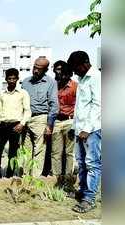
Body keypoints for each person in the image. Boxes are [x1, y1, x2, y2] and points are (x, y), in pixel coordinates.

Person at [67, 51, 101, 213]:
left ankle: (90, 199)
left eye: (75, 68)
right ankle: (82, 191)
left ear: (85, 63)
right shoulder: (81, 79)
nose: (74, 72)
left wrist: (87, 129)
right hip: (80, 129)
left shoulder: (96, 78)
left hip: (93, 130)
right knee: (81, 163)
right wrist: (74, 127)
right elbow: (80, 107)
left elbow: (98, 105)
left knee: (93, 164)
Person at [21, 57, 59, 177]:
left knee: (39, 151)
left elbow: (54, 105)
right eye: (34, 67)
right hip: (26, 119)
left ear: (46, 70)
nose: (35, 71)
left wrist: (49, 125)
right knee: (26, 150)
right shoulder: (26, 82)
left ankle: (35, 178)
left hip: (40, 119)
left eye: (39, 69)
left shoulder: (51, 82)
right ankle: (26, 177)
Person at [0, 68, 31, 178]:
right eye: (9, 78)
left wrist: (22, 124)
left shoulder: (23, 93)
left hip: (16, 126)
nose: (12, 81)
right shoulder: (2, 94)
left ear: (17, 79)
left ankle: (9, 175)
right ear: (6, 79)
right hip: (3, 125)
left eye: (14, 78)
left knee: (13, 152)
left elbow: (27, 111)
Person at [51, 61, 77, 184]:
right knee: (56, 152)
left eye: (60, 69)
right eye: (56, 69)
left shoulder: (75, 86)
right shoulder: (54, 86)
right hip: (56, 121)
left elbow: (80, 106)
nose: (58, 72)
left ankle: (68, 178)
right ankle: (57, 179)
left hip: (70, 121)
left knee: (69, 152)